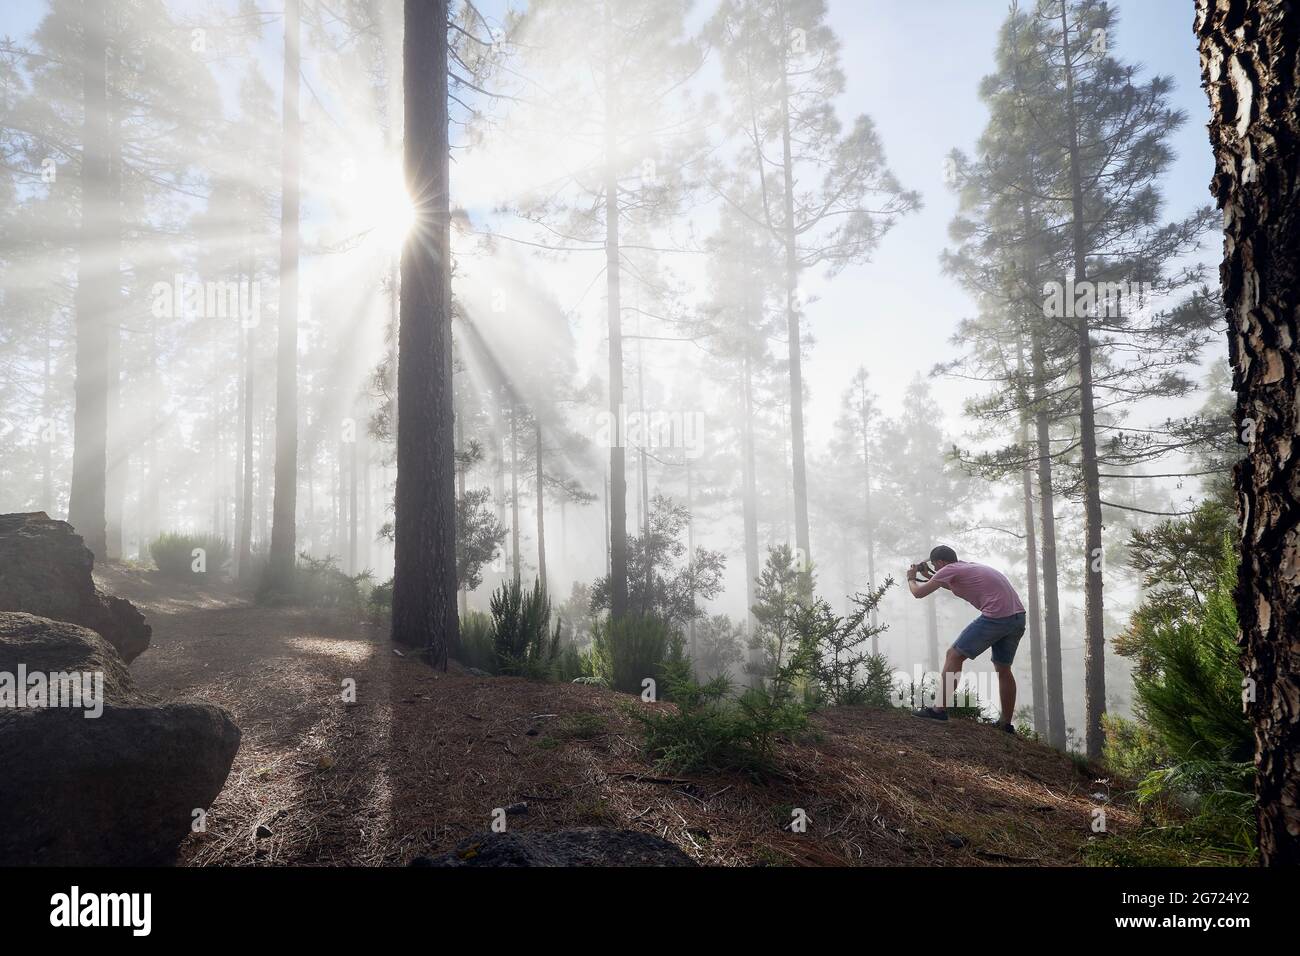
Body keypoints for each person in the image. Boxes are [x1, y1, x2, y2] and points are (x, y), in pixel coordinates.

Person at [906, 545, 1026, 734]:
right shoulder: (964, 567)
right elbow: (947, 584)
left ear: (940, 562)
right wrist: (930, 574)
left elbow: (918, 593)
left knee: (953, 655)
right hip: (1017, 617)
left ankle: (938, 710)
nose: (937, 571)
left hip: (998, 616)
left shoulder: (949, 569)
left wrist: (911, 578)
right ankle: (1005, 724)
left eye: (936, 567)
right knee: (1003, 668)